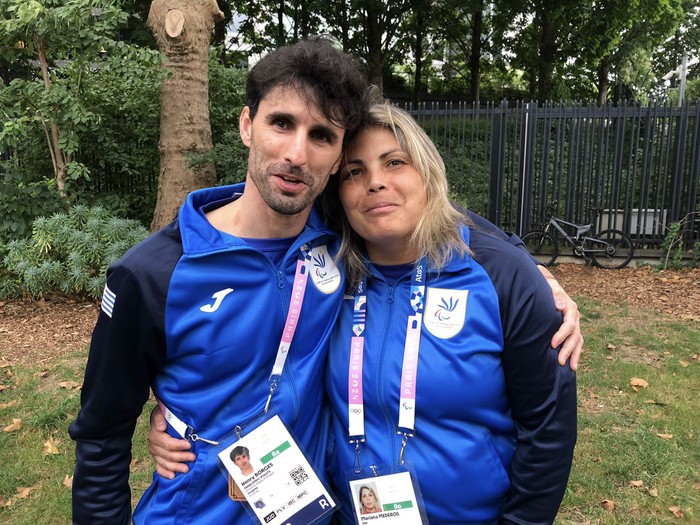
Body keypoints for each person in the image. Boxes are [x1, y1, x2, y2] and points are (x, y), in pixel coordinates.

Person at [148, 100, 579, 524]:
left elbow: (547, 430)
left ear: (427, 172)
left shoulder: (497, 275)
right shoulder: (326, 275)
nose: (375, 183)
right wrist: (179, 416)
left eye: (395, 163)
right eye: (355, 171)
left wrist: (528, 264)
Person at [68, 38, 369, 524]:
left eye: (321, 135)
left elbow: (422, 210)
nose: (297, 153)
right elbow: (101, 435)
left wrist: (526, 273)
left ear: (337, 159)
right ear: (247, 125)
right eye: (282, 123)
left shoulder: (343, 244)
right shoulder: (152, 274)